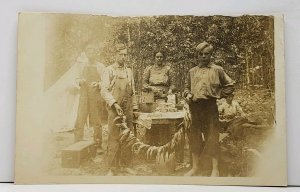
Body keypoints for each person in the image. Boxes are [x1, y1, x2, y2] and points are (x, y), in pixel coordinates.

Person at [183, 41, 235, 177]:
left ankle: (215, 169)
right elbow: (186, 88)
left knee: (212, 136)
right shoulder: (192, 71)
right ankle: (195, 167)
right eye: (201, 54)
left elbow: (230, 85)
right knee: (194, 136)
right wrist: (187, 94)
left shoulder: (217, 70)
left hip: (210, 106)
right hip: (195, 107)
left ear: (211, 55)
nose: (204, 56)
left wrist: (218, 95)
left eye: (207, 54)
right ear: (197, 55)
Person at [101, 44, 138, 176]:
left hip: (127, 108)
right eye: (121, 54)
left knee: (128, 136)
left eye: (125, 54)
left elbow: (132, 91)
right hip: (114, 108)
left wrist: (134, 108)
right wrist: (114, 103)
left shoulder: (129, 71)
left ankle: (126, 165)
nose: (123, 57)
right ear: (115, 55)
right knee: (114, 136)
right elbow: (104, 91)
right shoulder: (109, 70)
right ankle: (112, 168)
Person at [74, 42, 106, 152]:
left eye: (93, 51)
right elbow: (76, 79)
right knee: (80, 118)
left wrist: (98, 84)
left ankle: (98, 145)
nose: (91, 54)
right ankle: (77, 143)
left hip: (95, 96)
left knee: (96, 121)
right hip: (84, 95)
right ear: (86, 53)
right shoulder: (81, 65)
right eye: (89, 51)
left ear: (96, 53)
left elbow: (105, 82)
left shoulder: (101, 66)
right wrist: (80, 81)